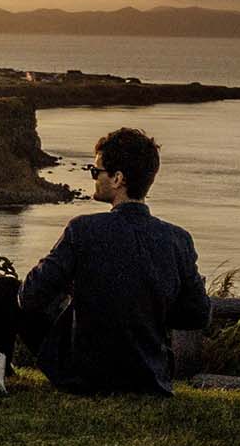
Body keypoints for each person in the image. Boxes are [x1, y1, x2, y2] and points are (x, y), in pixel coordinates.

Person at [19, 127, 210, 395]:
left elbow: (31, 295)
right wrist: (154, 305)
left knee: (5, 289)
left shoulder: (82, 229)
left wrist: (73, 290)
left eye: (96, 172)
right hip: (149, 380)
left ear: (118, 178)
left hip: (85, 378)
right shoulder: (179, 239)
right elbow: (197, 314)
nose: (93, 177)